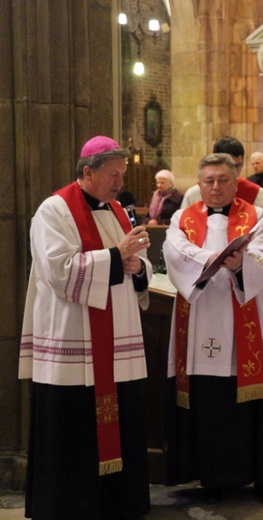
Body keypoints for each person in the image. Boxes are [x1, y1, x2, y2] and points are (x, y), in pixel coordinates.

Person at [19, 136, 153, 520]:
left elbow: (137, 263)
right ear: (87, 172)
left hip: (118, 342)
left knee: (121, 420)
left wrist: (136, 268)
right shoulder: (54, 210)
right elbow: (58, 270)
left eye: (122, 175)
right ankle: (70, 506)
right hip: (73, 341)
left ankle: (118, 503)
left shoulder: (117, 210)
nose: (119, 183)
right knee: (73, 429)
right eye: (113, 175)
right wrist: (116, 257)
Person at [163, 152, 263, 504]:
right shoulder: (181, 217)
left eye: (223, 180)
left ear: (236, 181)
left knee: (252, 393)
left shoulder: (257, 215)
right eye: (208, 181)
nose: (215, 187)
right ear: (199, 184)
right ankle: (210, 475)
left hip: (243, 311)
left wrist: (238, 265)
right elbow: (174, 252)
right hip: (199, 313)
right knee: (207, 396)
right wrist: (213, 260)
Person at [181, 136, 263, 252]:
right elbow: (183, 234)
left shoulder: (257, 194)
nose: (235, 172)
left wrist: (248, 258)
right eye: (230, 166)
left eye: (238, 166)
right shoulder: (194, 195)